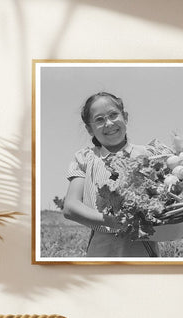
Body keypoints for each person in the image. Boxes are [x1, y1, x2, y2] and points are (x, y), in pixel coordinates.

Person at [63, 92, 160, 257]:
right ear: (89, 129)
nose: (109, 123)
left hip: (144, 249)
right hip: (102, 250)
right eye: (99, 119)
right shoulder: (85, 158)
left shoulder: (150, 155)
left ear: (125, 117)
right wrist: (112, 221)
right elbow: (70, 207)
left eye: (113, 115)